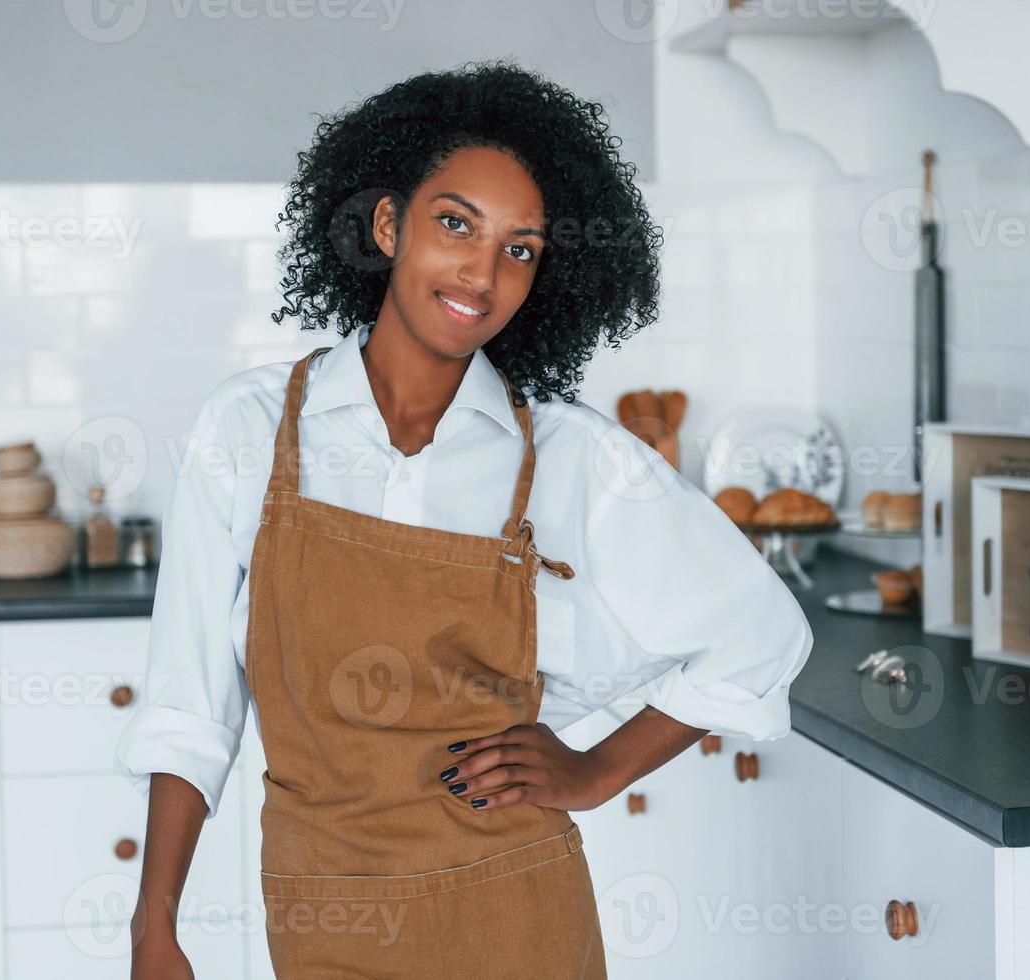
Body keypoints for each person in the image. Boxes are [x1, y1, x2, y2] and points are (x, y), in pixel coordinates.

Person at [116, 59, 814, 978]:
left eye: (519, 248)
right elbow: (190, 705)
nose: (482, 274)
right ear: (387, 224)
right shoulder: (248, 431)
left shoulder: (567, 456)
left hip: (515, 902)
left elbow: (760, 635)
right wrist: (152, 926)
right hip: (326, 909)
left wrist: (595, 770)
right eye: (456, 224)